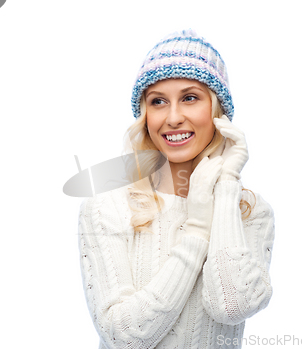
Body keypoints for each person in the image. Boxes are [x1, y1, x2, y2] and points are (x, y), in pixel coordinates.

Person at [78, 29, 275, 349]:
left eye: (190, 98)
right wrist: (197, 231)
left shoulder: (250, 211)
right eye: (158, 101)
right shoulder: (107, 207)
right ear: (145, 116)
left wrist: (226, 187)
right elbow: (123, 336)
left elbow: (232, 306)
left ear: (218, 112)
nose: (173, 117)